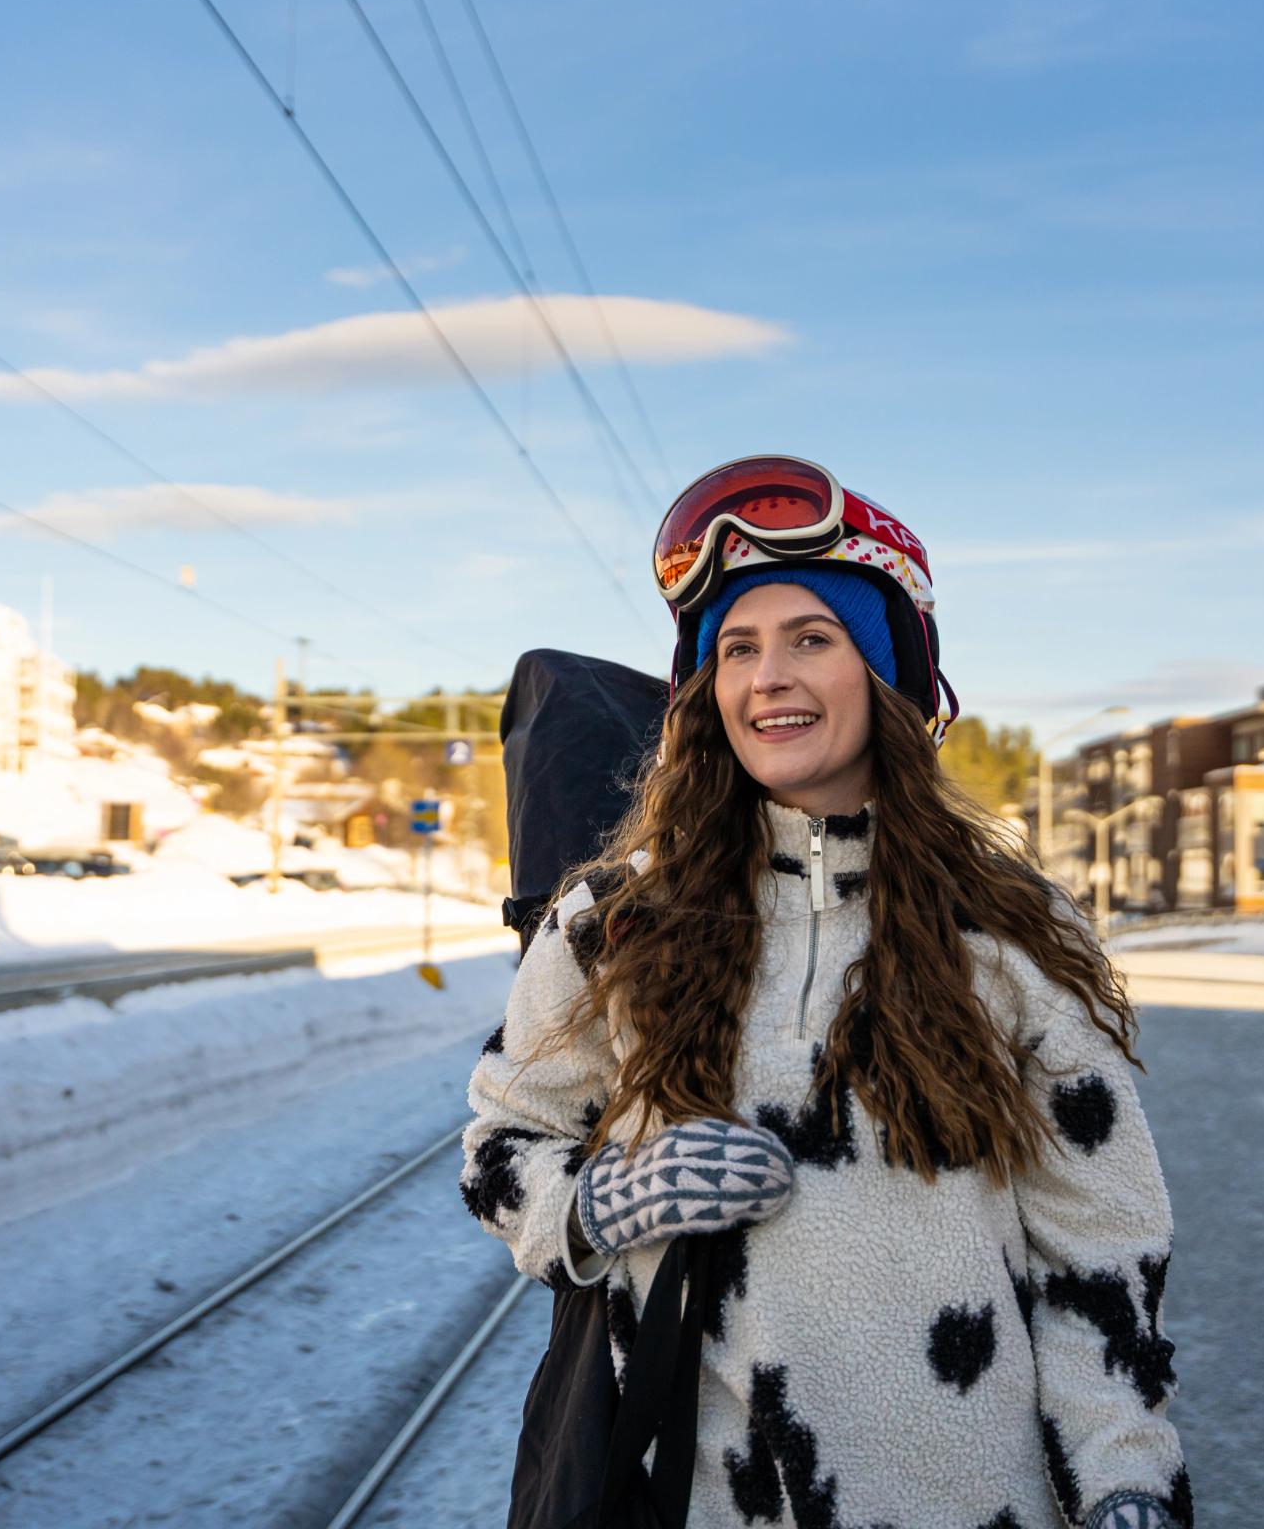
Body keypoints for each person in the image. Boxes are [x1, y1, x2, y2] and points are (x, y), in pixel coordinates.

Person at [464, 456, 1189, 1529]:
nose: (769, 678)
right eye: (738, 649)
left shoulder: (1006, 932)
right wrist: (606, 1197)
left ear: (887, 674)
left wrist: (1124, 1478)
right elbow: (501, 1148)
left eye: (813, 637)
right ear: (705, 691)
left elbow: (1098, 1250)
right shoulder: (610, 925)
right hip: (700, 1500)